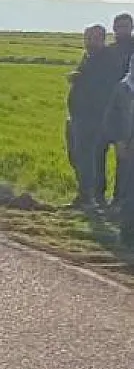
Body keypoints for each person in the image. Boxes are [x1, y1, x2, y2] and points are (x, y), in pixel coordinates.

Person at [66, 24, 121, 208]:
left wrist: (80, 78)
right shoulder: (88, 57)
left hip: (94, 116)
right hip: (78, 115)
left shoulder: (108, 59)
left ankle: (90, 197)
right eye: (87, 38)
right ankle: (85, 195)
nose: (89, 42)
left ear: (102, 39)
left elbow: (104, 87)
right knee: (78, 156)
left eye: (93, 38)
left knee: (90, 158)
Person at [101, 70, 134, 247]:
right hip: (129, 147)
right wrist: (119, 141)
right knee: (128, 191)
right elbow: (111, 118)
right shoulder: (123, 88)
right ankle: (126, 235)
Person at [104, 13, 134, 203]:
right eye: (119, 27)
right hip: (123, 124)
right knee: (123, 164)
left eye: (126, 26)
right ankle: (119, 201)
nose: (122, 30)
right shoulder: (109, 52)